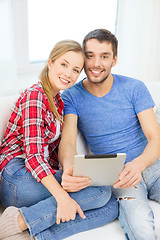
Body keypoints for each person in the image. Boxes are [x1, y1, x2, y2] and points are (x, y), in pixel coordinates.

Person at [0, 40, 118, 240]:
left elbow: (55, 153)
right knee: (101, 191)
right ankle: (17, 221)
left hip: (36, 177)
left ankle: (35, 232)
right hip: (16, 178)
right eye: (63, 64)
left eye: (75, 70)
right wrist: (63, 197)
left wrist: (70, 176)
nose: (68, 74)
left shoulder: (58, 102)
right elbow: (35, 157)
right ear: (50, 63)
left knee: (112, 206)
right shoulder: (35, 96)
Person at [59, 29, 160, 240]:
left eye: (104, 56)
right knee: (141, 230)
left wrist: (139, 165)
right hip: (120, 178)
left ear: (114, 59)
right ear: (83, 58)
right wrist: (69, 168)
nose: (96, 63)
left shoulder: (134, 87)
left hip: (152, 167)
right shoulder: (71, 96)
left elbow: (155, 138)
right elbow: (68, 141)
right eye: (90, 56)